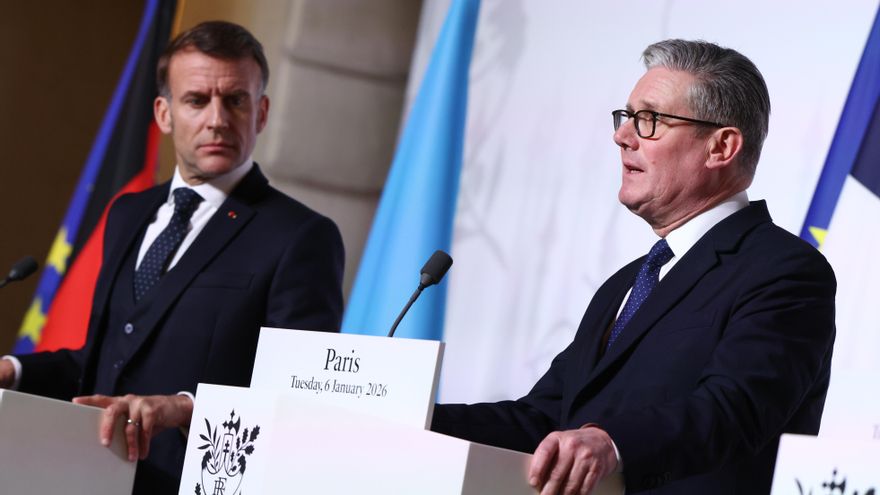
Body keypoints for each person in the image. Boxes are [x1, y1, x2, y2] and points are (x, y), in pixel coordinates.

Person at [431, 39, 836, 494]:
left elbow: (732, 410)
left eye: (650, 120)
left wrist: (614, 444)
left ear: (721, 147)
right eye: (626, 118)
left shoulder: (785, 272)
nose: (622, 136)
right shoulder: (625, 284)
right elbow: (543, 420)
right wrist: (412, 413)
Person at [0, 21, 344, 494]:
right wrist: (14, 371)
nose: (218, 119)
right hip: (81, 475)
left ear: (261, 112)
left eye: (236, 100)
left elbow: (297, 396)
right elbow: (101, 365)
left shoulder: (301, 236)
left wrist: (186, 407)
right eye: (197, 100)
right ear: (164, 113)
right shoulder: (128, 213)